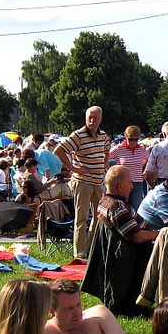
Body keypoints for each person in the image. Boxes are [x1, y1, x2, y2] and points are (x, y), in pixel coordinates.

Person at [55, 106, 111, 259]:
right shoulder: (78, 136)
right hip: (83, 182)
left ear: (100, 119)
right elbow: (59, 150)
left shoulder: (103, 136)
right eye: (89, 118)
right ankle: (79, 253)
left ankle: (90, 246)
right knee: (82, 217)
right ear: (85, 119)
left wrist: (105, 167)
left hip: (98, 181)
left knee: (100, 216)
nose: (92, 120)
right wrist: (72, 167)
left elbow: (106, 152)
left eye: (95, 118)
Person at [97, 165, 159, 245]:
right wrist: (160, 234)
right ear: (119, 186)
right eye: (130, 183)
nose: (132, 187)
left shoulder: (104, 201)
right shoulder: (117, 207)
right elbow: (138, 237)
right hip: (134, 253)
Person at [107, 125, 149, 211]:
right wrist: (110, 172)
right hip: (123, 183)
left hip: (137, 182)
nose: (133, 142)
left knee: (136, 209)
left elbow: (150, 161)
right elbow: (105, 159)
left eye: (136, 139)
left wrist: (146, 172)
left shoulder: (141, 149)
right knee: (122, 207)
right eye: (130, 139)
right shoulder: (118, 148)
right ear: (126, 137)